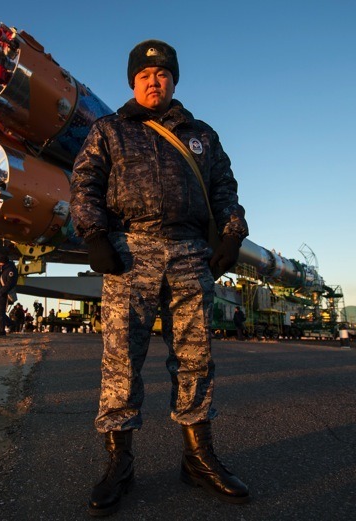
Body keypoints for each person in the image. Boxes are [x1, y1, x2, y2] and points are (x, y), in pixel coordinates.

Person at [70, 40, 249, 515]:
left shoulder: (202, 135)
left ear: (174, 80)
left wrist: (231, 234)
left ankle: (198, 458)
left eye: (164, 73)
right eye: (146, 74)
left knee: (195, 360)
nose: (155, 80)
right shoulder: (109, 130)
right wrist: (94, 235)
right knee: (121, 362)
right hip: (132, 253)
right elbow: (85, 181)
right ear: (133, 81)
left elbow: (225, 188)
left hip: (191, 254)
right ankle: (119, 464)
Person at [0, 254, 18, 336]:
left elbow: (10, 283)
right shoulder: (2, 270)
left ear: (3, 262)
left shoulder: (10, 270)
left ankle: (1, 331)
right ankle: (9, 325)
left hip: (3, 294)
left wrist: (1, 292)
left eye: (0, 263)